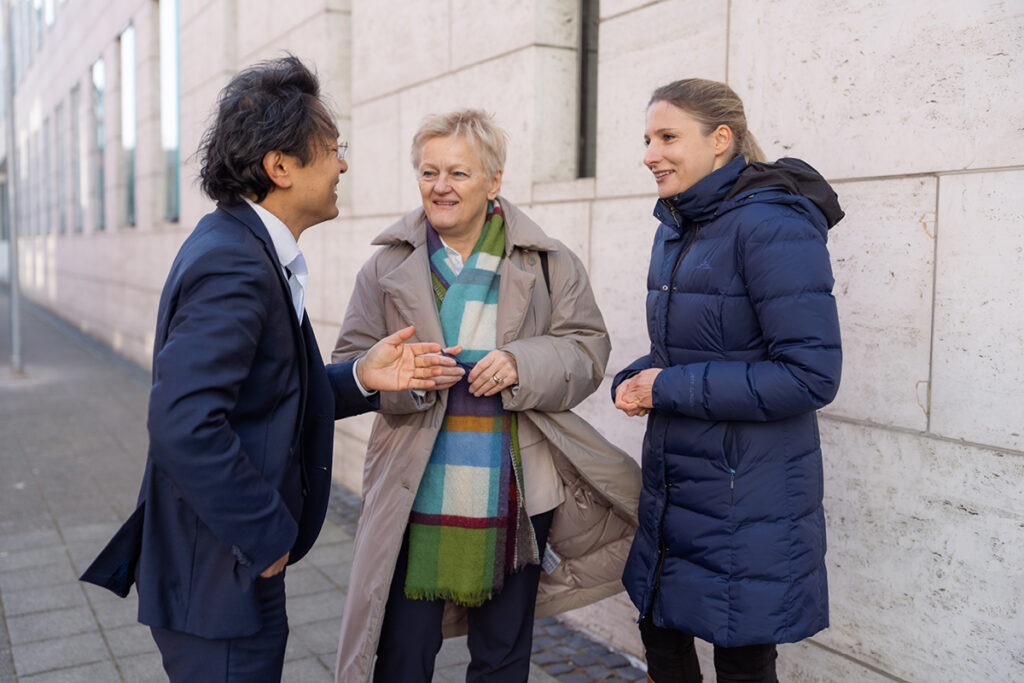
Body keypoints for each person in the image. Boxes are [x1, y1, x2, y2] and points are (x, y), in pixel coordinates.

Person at [79, 56, 455, 683]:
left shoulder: (244, 247)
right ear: (280, 167)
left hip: (226, 569)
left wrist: (363, 376)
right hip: (222, 576)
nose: (343, 164)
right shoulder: (236, 265)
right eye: (333, 150)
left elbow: (270, 396)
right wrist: (268, 538)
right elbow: (183, 423)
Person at [332, 109, 641, 683]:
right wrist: (402, 377)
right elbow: (349, 368)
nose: (440, 187)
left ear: (493, 181)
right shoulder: (385, 267)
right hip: (413, 485)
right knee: (402, 653)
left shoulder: (549, 263)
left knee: (502, 656)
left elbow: (588, 351)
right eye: (428, 173)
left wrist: (523, 362)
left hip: (520, 494)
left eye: (458, 173)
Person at [612, 78, 844, 683]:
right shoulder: (679, 225)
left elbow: (809, 375)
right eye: (646, 138)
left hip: (748, 499)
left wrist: (666, 388)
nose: (649, 154)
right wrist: (638, 377)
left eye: (667, 137)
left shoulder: (771, 224)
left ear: (720, 140)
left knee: (741, 660)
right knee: (660, 635)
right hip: (679, 488)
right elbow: (687, 350)